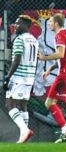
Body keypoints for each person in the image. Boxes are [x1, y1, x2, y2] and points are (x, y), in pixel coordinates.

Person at [37, 13, 66, 143]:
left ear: (56, 23)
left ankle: (65, 129)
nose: (48, 24)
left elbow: (60, 54)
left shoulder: (59, 35)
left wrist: (44, 58)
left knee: (49, 103)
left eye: (50, 22)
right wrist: (50, 69)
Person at [4, 15, 38, 143]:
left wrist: (8, 77)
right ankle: (24, 136)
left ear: (25, 25)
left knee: (9, 104)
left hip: (18, 77)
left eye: (18, 23)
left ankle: (24, 130)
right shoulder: (34, 39)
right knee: (23, 106)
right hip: (29, 77)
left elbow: (17, 59)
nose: (15, 26)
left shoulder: (19, 39)